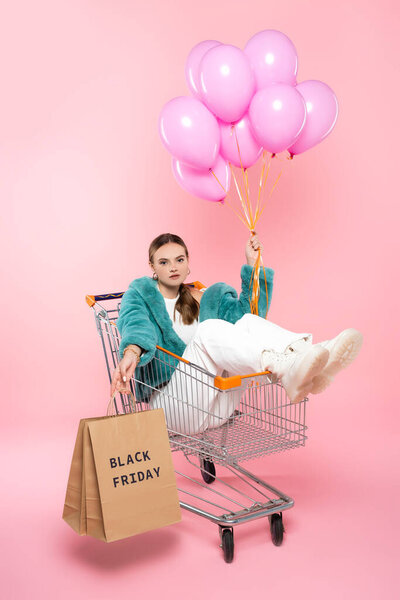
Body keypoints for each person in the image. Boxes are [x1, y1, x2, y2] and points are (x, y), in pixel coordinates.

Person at [110, 233, 363, 435]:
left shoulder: (206, 297)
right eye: (163, 262)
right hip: (172, 407)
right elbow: (136, 323)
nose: (173, 267)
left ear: (188, 263)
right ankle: (286, 369)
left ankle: (310, 353)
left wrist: (253, 265)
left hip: (218, 406)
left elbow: (250, 316)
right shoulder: (143, 294)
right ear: (152, 266)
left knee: (246, 322)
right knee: (208, 330)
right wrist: (132, 351)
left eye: (179, 259)